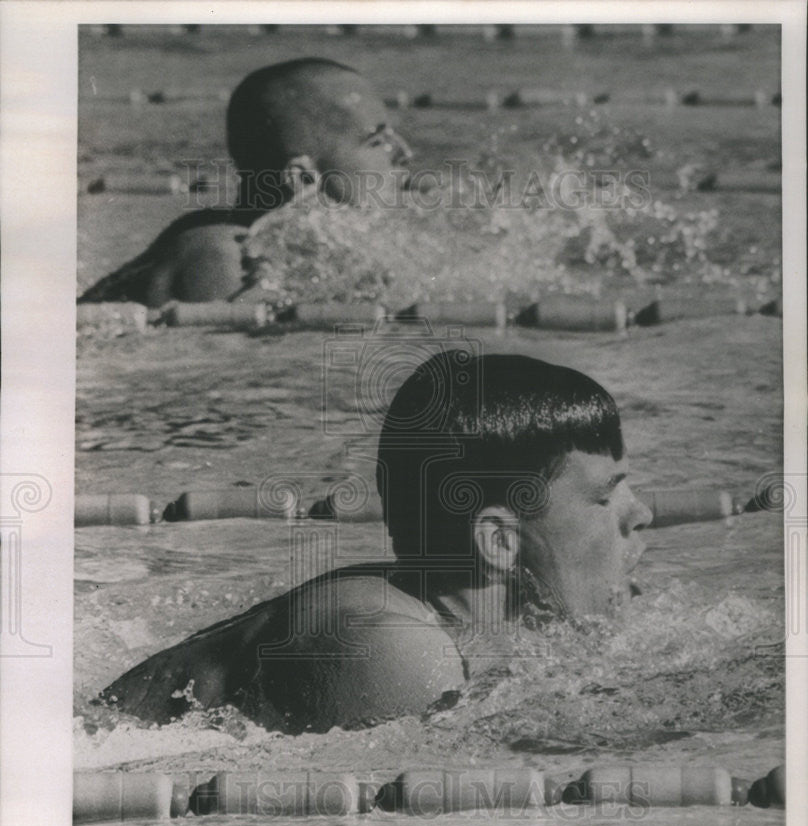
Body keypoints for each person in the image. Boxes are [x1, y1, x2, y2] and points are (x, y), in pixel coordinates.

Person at [100, 350, 652, 733]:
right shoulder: (389, 643)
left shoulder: (470, 628)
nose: (641, 514)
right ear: (499, 542)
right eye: (606, 497)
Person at [78, 58, 412, 307]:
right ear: (303, 178)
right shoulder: (218, 261)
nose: (405, 154)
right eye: (378, 142)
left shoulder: (289, 248)